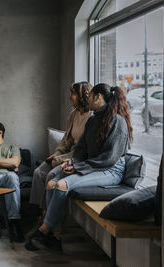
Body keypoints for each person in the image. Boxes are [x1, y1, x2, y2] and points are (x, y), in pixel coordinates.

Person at [27, 83, 133, 252]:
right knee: (50, 183)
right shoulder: (93, 120)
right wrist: (73, 163)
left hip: (111, 170)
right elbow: (81, 149)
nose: (87, 99)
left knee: (61, 185)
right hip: (93, 167)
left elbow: (109, 159)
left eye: (90, 95)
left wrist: (78, 168)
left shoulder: (118, 122)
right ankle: (55, 237)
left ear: (98, 97)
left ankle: (43, 231)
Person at [28, 82, 92, 218]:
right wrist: (56, 154)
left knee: (51, 174)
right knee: (38, 172)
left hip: (78, 156)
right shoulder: (73, 115)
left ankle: (47, 215)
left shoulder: (92, 117)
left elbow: (83, 150)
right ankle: (39, 211)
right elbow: (66, 141)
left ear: (82, 96)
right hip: (66, 153)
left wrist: (59, 159)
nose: (70, 97)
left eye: (73, 94)